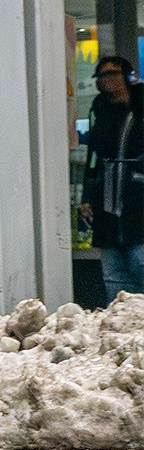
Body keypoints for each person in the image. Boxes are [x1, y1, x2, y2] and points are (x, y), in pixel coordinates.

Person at [81, 56, 144, 303]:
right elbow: (94, 160)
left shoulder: (139, 110)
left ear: (127, 77)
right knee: (115, 279)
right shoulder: (102, 111)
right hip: (108, 208)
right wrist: (87, 197)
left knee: (139, 264)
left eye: (113, 74)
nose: (107, 81)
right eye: (102, 76)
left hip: (137, 203)